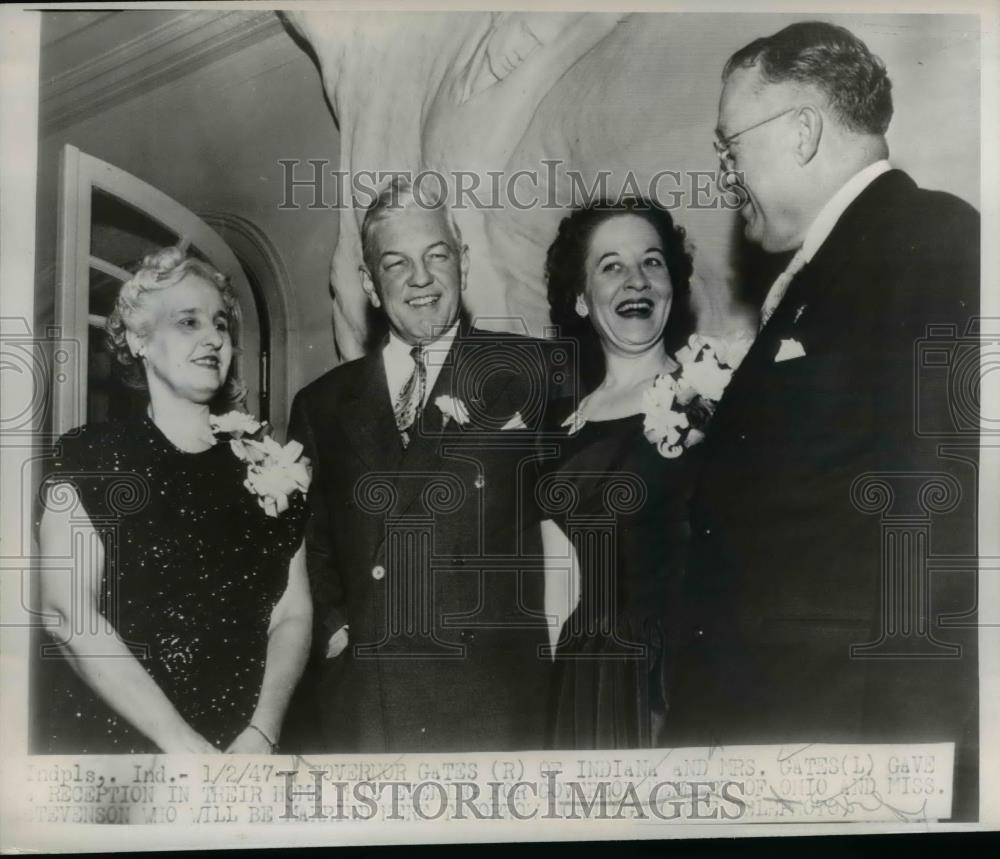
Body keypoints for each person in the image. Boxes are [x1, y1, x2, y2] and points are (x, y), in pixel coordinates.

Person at [664, 22, 979, 817]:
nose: (725, 175)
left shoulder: (927, 240)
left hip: (844, 747)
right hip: (779, 730)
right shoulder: (833, 265)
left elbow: (933, 519)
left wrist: (908, 785)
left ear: (802, 130)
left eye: (729, 147)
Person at [286, 177, 551, 752]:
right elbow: (311, 544)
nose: (422, 279)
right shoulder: (321, 404)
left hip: (496, 708)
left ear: (464, 262)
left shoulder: (532, 374)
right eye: (396, 263)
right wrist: (332, 632)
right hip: (367, 710)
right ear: (370, 286)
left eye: (437, 256)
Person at [37, 247, 312, 754]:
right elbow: (66, 613)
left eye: (221, 325)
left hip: (245, 756)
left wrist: (263, 733)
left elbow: (292, 612)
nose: (214, 338)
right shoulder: (91, 457)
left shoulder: (269, 466)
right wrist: (184, 747)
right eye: (189, 322)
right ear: (139, 339)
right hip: (126, 750)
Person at [539, 198, 704, 748]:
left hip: (683, 675)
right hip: (585, 679)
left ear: (672, 286)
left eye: (652, 262)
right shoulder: (556, 429)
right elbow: (552, 593)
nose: (637, 280)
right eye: (612, 266)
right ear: (582, 300)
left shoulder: (719, 397)